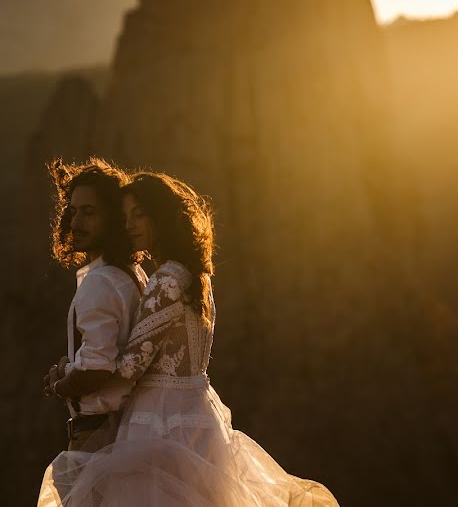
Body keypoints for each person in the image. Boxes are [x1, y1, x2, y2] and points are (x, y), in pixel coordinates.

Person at [38, 171, 340, 507]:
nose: (130, 225)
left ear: (162, 216)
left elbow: (129, 367)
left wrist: (64, 378)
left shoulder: (165, 280)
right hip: (197, 414)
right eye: (125, 217)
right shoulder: (193, 275)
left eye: (140, 214)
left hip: (161, 421)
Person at [41, 158, 147, 453]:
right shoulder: (132, 274)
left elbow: (98, 368)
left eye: (89, 213)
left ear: (114, 218)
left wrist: (59, 385)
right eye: (73, 212)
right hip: (125, 428)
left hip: (98, 435)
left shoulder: (101, 281)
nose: (75, 223)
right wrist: (71, 366)